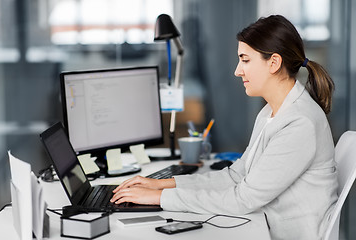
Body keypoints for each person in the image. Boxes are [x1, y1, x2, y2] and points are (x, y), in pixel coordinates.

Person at [110, 15, 338, 240]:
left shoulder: (300, 123)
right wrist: (160, 184)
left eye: (245, 60)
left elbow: (243, 199)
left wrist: (160, 198)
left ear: (274, 62)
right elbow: (236, 176)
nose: (237, 71)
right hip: (266, 224)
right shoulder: (272, 111)